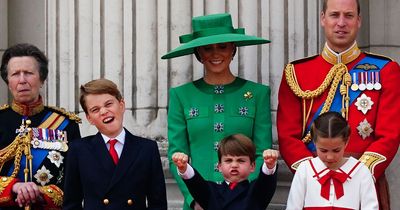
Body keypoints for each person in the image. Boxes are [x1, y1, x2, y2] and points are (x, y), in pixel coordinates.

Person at [277, 0, 400, 209]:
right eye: (335, 15)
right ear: (323, 18)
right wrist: (314, 174)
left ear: (359, 20)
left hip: (365, 182)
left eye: (349, 16)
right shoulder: (297, 73)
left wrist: (357, 174)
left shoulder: (386, 70)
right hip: (312, 184)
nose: (341, 23)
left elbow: (390, 134)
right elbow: (287, 136)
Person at [162, 13, 273, 210]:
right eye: (207, 48)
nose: (215, 54)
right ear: (198, 53)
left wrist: (247, 199)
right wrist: (194, 200)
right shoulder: (181, 95)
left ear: (233, 49)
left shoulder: (258, 94)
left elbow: (261, 153)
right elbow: (177, 155)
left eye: (222, 46)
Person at [62, 78, 167, 210]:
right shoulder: (79, 150)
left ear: (121, 105)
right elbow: (71, 203)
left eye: (108, 104)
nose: (104, 111)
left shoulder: (147, 149)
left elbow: (158, 204)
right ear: (89, 118)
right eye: (95, 109)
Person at [0, 43, 81, 210]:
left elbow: (76, 180)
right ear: (8, 81)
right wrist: (13, 187)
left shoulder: (66, 124)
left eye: (29, 73)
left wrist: (42, 193)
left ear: (42, 79)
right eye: (15, 74)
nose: (22, 80)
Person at [286, 112, 378, 209]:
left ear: (346, 142)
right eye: (323, 150)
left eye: (336, 150)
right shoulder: (305, 169)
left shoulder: (361, 172)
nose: (329, 157)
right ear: (314, 142)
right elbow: (293, 207)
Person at [172, 134, 278, 210]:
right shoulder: (211, 191)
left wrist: (270, 164)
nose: (234, 165)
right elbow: (195, 182)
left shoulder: (255, 191)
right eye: (228, 160)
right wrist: (184, 167)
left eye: (241, 160)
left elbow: (266, 182)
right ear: (219, 166)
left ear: (252, 166)